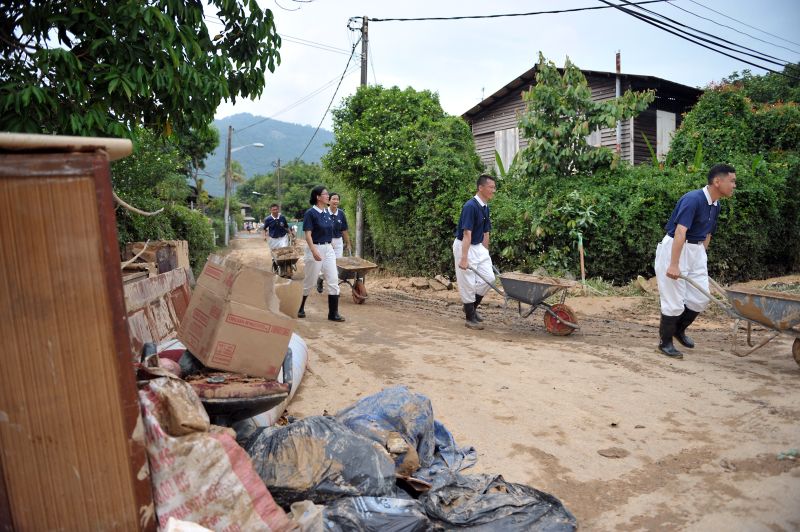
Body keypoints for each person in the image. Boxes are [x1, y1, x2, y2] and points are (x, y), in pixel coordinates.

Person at [654, 163, 737, 359]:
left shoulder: (716, 205)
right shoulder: (693, 199)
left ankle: (678, 330)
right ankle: (665, 342)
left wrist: (701, 256)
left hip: (696, 251)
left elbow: (707, 233)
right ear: (718, 181)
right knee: (674, 301)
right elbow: (681, 232)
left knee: (700, 297)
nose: (734, 185)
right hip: (676, 248)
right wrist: (674, 264)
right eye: (732, 181)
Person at [454, 174, 497, 330]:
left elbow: (486, 232)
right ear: (481, 188)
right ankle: (470, 318)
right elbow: (467, 233)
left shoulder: (485, 206)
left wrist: (486, 253)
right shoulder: (470, 206)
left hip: (478, 247)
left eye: (494, 187)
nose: (494, 190)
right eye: (491, 187)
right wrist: (464, 258)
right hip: (465, 246)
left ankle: (469, 308)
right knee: (468, 282)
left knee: (489, 278)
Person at [297, 186, 345, 322]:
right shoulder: (310, 213)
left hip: (328, 248)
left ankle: (333, 313)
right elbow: (308, 235)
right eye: (325, 194)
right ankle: (299, 307)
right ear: (318, 197)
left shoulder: (326, 213)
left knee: (333, 280)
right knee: (310, 282)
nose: (328, 196)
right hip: (315, 248)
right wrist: (313, 251)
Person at [317, 192, 352, 293]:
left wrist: (348, 243)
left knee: (336, 266)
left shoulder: (341, 214)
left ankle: (334, 289)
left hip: (338, 242)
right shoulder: (323, 213)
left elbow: (344, 230)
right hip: (325, 242)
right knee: (326, 266)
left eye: (337, 199)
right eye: (333, 199)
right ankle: (320, 278)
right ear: (328, 201)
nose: (336, 201)